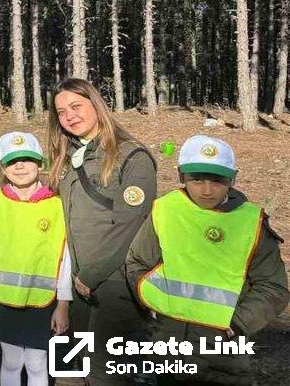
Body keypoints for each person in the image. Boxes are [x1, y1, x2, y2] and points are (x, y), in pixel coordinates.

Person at [125, 135, 289, 383]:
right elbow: (137, 262)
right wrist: (156, 305)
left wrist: (238, 323)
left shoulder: (252, 223)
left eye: (217, 180)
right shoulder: (165, 210)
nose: (207, 189)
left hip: (225, 356)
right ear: (181, 176)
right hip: (170, 348)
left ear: (233, 178)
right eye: (197, 179)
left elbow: (274, 287)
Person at [46, 77, 156, 383]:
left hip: (114, 285)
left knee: (104, 375)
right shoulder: (65, 160)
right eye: (61, 111)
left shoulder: (131, 156)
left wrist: (91, 274)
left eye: (76, 106)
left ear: (96, 104)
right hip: (74, 284)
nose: (69, 116)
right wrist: (67, 288)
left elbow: (131, 223)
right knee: (68, 371)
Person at [0, 132, 72, 386]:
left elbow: (65, 257)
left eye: (27, 159)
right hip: (4, 300)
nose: (19, 166)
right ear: (3, 168)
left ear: (40, 164)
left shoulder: (57, 204)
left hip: (43, 302)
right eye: (11, 161)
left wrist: (63, 303)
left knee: (38, 363)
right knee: (11, 362)